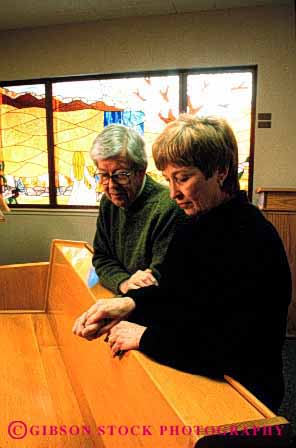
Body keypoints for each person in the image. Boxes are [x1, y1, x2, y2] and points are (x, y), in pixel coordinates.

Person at [73, 115, 291, 412]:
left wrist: (145, 338)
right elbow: (175, 292)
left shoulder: (252, 238)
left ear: (220, 172)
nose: (173, 193)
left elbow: (228, 347)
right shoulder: (196, 222)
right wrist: (130, 304)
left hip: (244, 393)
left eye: (183, 178)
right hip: (205, 371)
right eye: (168, 179)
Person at [90, 124, 185, 294]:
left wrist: (131, 287)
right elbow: (102, 258)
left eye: (120, 175)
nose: (111, 186)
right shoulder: (108, 203)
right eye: (104, 175)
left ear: (141, 170)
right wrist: (124, 282)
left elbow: (157, 279)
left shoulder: (168, 207)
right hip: (122, 296)